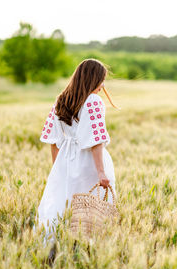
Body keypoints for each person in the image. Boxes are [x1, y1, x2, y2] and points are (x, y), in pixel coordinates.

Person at [33, 59, 116, 257]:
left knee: (63, 202)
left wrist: (58, 169)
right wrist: (101, 172)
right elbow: (96, 141)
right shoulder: (94, 101)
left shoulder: (61, 99)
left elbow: (53, 140)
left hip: (64, 160)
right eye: (102, 80)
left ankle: (51, 248)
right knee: (89, 208)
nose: (102, 85)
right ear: (94, 79)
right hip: (87, 162)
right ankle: (85, 250)